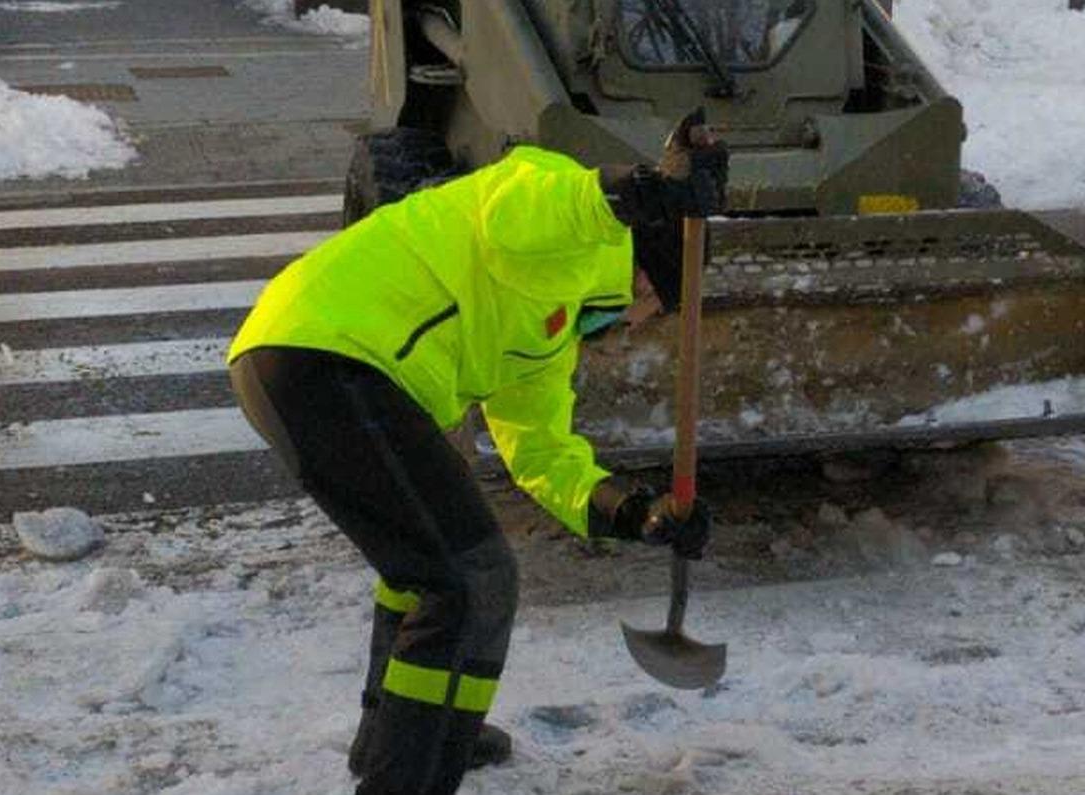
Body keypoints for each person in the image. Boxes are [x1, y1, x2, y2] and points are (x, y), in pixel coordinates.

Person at [226, 111, 726, 795]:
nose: (640, 328)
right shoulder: (561, 212)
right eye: (654, 312)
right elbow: (537, 203)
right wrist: (638, 191)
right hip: (328, 352)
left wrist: (633, 511)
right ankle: (408, 770)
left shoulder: (551, 328)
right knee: (473, 578)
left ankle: (400, 735)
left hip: (312, 357)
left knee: (425, 566)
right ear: (644, 284)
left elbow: (540, 451)